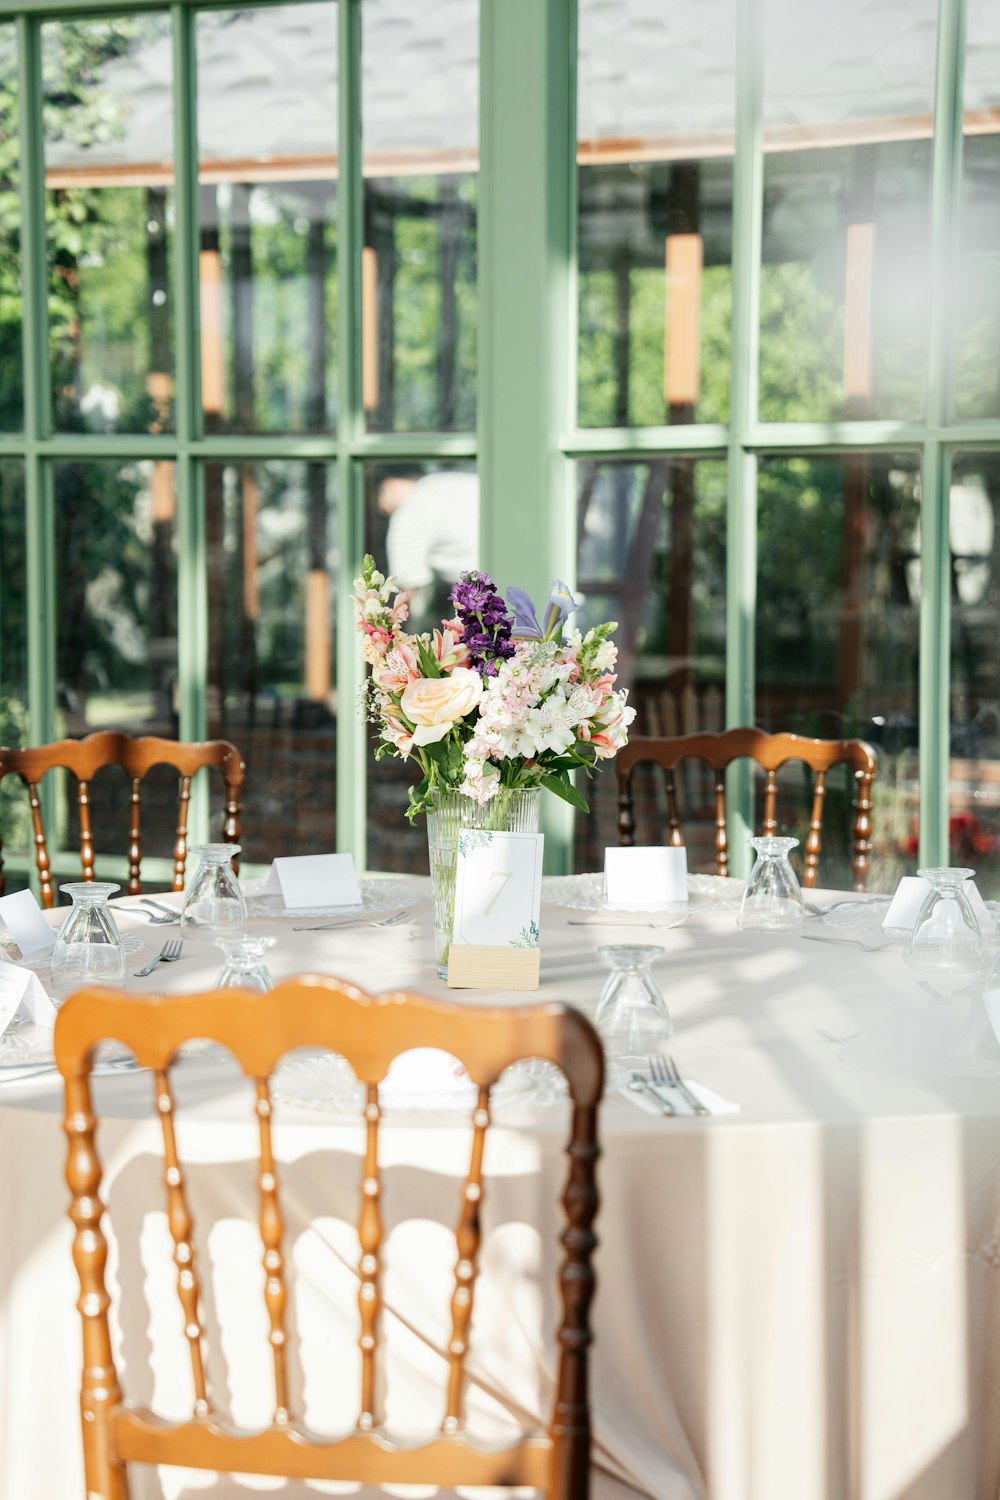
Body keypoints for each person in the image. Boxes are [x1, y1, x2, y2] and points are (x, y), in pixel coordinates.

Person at [377, 470, 480, 633]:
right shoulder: (443, 481)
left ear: (391, 484)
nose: (384, 512)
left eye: (382, 509)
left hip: (485, 592)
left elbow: (409, 592)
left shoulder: (408, 513)